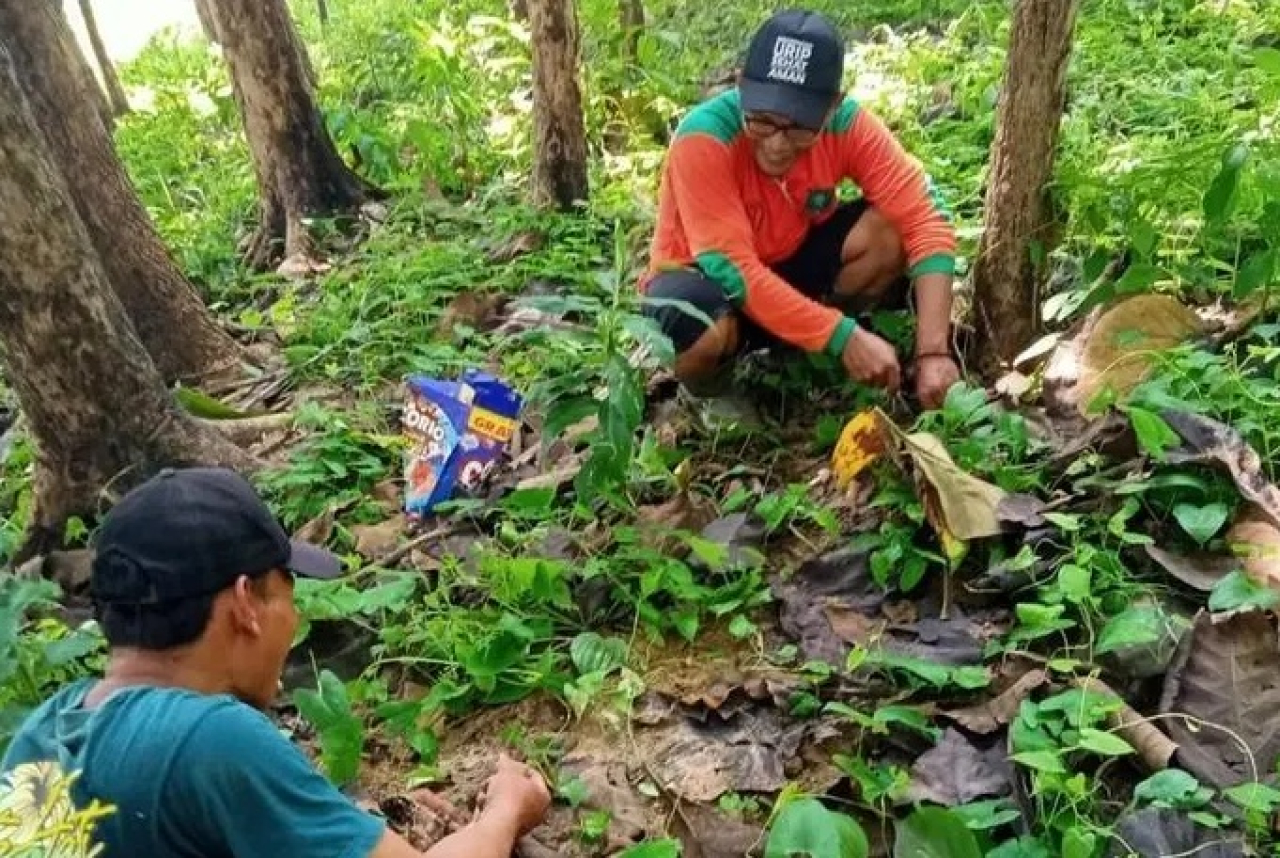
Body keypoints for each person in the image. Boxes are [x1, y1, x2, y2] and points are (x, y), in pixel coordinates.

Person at [1, 467, 550, 858]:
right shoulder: (210, 738)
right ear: (246, 603)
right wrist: (506, 810)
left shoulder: (39, 733)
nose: (294, 618)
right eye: (289, 592)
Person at [641, 8, 961, 424]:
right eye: (762, 122)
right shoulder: (704, 137)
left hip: (787, 267)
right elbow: (730, 267)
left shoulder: (849, 127)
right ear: (741, 86)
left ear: (832, 108)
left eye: (799, 129)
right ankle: (709, 389)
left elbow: (925, 217)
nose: (777, 143)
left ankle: (796, 350)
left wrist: (933, 352)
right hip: (708, 283)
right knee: (700, 325)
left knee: (888, 234)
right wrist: (841, 336)